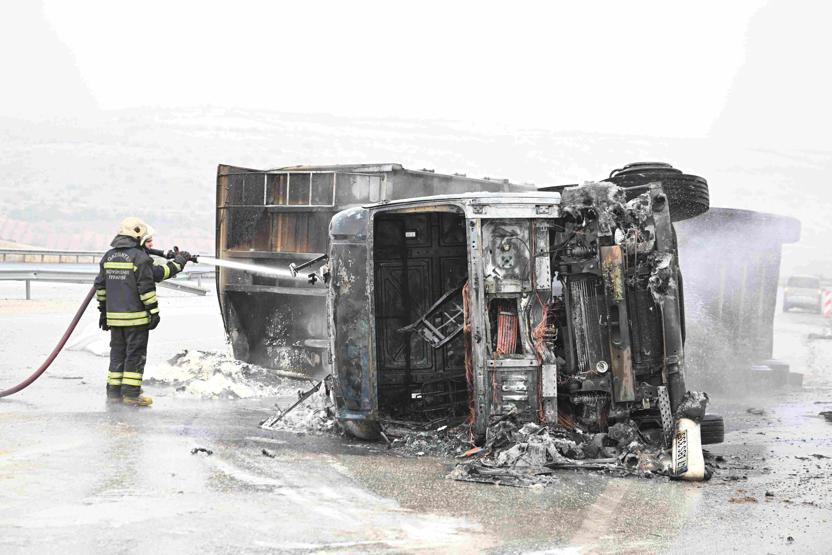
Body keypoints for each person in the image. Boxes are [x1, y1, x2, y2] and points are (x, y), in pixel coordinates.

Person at [93, 217, 185, 406]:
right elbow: (148, 286)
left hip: (115, 320)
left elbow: (100, 287)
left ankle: (114, 393)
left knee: (117, 355)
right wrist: (154, 312)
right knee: (135, 356)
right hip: (136, 320)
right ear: (138, 237)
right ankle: (132, 395)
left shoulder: (108, 256)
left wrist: (103, 312)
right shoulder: (140, 259)